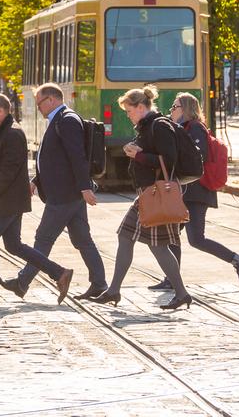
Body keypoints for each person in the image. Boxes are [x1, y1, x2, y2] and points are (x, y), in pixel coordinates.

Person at [0, 84, 105, 302]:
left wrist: (85, 187)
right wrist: (36, 180)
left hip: (64, 194)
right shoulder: (59, 120)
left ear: (51, 100)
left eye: (39, 103)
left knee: (43, 239)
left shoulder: (67, 120)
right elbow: (56, 160)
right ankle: (99, 283)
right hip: (67, 192)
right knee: (82, 239)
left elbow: (77, 156)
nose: (38, 108)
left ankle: (22, 282)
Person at [89, 86, 192, 310]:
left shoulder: (159, 126)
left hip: (156, 194)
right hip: (147, 194)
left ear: (141, 107)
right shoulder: (146, 127)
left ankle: (181, 293)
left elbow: (169, 159)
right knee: (129, 237)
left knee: (156, 246)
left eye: (129, 111)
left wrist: (139, 155)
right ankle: (114, 290)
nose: (127, 115)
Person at [0, 93, 61, 308]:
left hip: (6, 200)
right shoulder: (4, 131)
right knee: (14, 245)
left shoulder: (12, 134)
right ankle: (59, 273)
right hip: (8, 199)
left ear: (0, 111)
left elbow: (10, 169)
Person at [148, 93, 239, 291]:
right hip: (185, 191)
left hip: (198, 192)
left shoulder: (195, 127)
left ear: (186, 108)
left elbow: (198, 156)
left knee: (196, 239)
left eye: (175, 106)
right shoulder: (183, 128)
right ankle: (172, 278)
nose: (172, 110)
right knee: (172, 234)